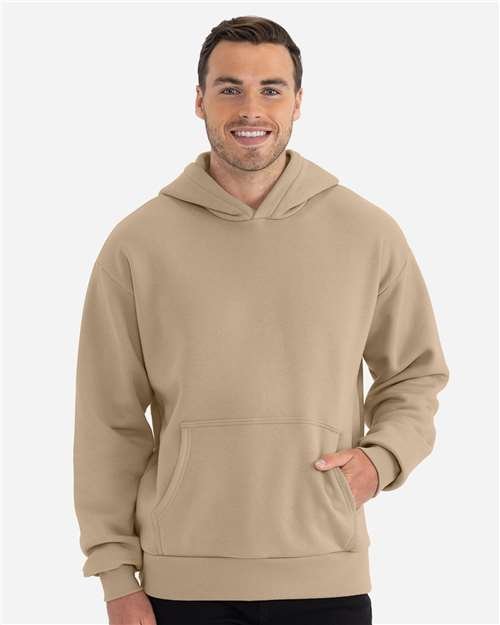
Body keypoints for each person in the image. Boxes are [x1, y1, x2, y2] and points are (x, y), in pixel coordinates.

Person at [73, 15, 450, 625]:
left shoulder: (367, 233)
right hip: (180, 581)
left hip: (325, 573)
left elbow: (415, 374)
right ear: (200, 100)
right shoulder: (137, 244)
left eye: (271, 89)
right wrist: (116, 575)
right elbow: (107, 418)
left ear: (297, 102)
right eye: (230, 88)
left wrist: (381, 460)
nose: (251, 108)